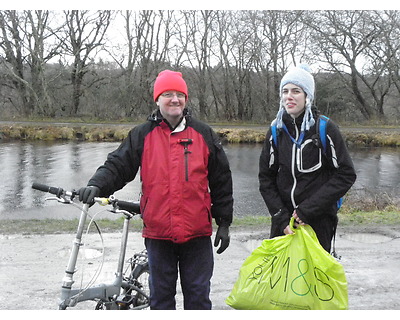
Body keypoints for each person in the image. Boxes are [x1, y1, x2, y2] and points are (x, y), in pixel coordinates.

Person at [78, 70, 233, 310]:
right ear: (157, 99)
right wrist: (96, 185)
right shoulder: (142, 135)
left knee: (199, 299)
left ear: (186, 99)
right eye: (168, 94)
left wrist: (224, 222)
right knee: (160, 300)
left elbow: (221, 180)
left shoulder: (203, 134)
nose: (174, 100)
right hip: (159, 233)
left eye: (180, 94)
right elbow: (118, 166)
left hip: (197, 234)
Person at [258, 64, 356, 253]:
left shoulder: (325, 129)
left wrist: (307, 211)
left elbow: (346, 175)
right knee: (281, 281)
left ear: (307, 96)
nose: (289, 96)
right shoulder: (275, 131)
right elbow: (265, 178)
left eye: (296, 91)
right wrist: (280, 216)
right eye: (285, 91)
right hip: (284, 224)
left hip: (318, 222)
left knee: (315, 281)